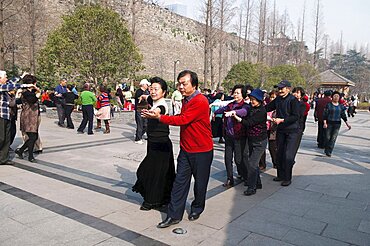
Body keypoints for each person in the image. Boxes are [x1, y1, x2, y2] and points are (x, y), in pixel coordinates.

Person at [142, 70, 213, 228]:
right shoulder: (187, 99)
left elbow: (183, 119)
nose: (180, 87)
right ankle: (174, 215)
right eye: (179, 83)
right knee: (179, 182)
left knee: (200, 184)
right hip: (186, 150)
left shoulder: (200, 101)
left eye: (184, 84)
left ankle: (197, 207)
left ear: (194, 85)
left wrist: (159, 117)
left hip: (202, 151)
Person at [132, 77, 176, 210]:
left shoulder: (162, 105)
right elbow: (148, 98)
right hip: (153, 143)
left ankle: (151, 201)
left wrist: (152, 113)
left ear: (164, 92)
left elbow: (158, 111)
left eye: (156, 89)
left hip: (161, 145)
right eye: (151, 88)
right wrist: (144, 97)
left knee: (148, 171)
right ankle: (161, 199)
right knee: (159, 173)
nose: (153, 91)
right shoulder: (153, 99)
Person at [213, 84, 249, 188]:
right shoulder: (230, 104)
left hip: (239, 136)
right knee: (227, 158)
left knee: (239, 159)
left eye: (238, 93)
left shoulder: (245, 106)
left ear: (243, 94)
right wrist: (214, 112)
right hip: (229, 136)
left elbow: (243, 112)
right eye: (234, 92)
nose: (235, 94)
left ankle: (245, 176)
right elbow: (222, 109)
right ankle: (229, 178)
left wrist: (233, 112)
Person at [266, 80, 300, 186]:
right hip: (281, 130)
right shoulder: (278, 100)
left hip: (293, 131)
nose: (279, 90)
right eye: (278, 88)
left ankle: (287, 177)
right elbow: (267, 108)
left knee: (288, 155)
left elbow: (296, 116)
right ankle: (280, 175)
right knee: (279, 153)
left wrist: (283, 120)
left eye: (282, 88)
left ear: (288, 89)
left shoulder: (293, 100)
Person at [233, 89, 267, 196]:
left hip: (260, 142)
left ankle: (251, 187)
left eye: (254, 100)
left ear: (260, 100)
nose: (252, 101)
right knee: (253, 163)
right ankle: (258, 183)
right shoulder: (252, 108)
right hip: (252, 140)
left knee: (252, 164)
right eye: (251, 99)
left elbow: (249, 123)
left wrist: (237, 118)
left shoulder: (262, 112)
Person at [0, 71, 35, 165]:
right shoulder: (1, 87)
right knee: (1, 138)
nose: (6, 78)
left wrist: (21, 77)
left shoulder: (5, 85)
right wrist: (25, 85)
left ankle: (3, 159)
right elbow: (12, 86)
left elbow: (11, 83)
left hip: (7, 115)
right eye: (5, 77)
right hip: (1, 116)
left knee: (7, 138)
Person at [15, 74, 41, 163]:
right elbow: (32, 100)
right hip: (28, 116)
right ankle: (30, 156)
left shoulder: (32, 91)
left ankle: (21, 150)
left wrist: (36, 92)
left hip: (34, 115)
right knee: (32, 136)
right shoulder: (25, 92)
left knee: (34, 136)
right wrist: (38, 94)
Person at [323, 91, 351, 157]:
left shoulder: (341, 106)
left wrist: (347, 124)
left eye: (337, 96)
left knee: (333, 138)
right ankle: (326, 148)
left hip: (337, 124)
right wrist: (325, 123)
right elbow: (325, 114)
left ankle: (329, 151)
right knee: (327, 137)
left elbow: (343, 115)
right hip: (329, 123)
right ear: (332, 97)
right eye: (335, 96)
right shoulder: (328, 105)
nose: (336, 97)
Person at [134, 79, 150, 144]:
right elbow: (139, 100)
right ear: (143, 84)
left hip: (145, 110)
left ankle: (139, 134)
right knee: (140, 124)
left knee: (146, 124)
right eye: (147, 84)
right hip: (139, 110)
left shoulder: (147, 92)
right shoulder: (139, 92)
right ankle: (138, 139)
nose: (147, 86)